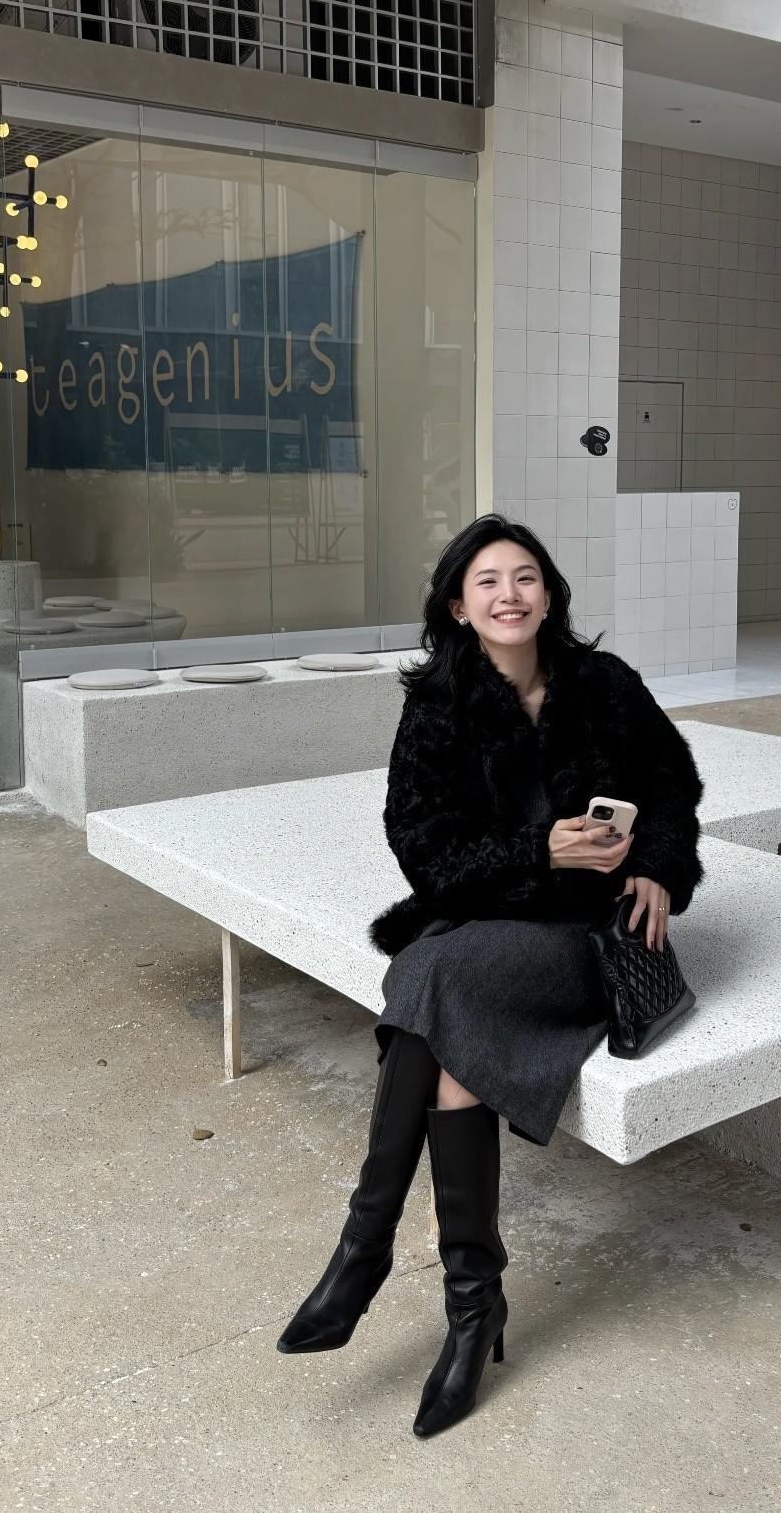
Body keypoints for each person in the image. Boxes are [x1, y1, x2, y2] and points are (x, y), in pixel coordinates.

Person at [277, 513, 704, 1438]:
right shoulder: (438, 705)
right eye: (487, 583)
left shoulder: (605, 684)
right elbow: (422, 851)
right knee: (444, 1009)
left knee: (428, 982)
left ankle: (367, 1253)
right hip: (485, 924)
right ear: (457, 608)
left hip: (587, 936)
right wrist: (538, 850)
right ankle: (472, 1306)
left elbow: (674, 785)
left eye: (525, 578)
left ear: (548, 593)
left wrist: (659, 866)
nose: (510, 595)